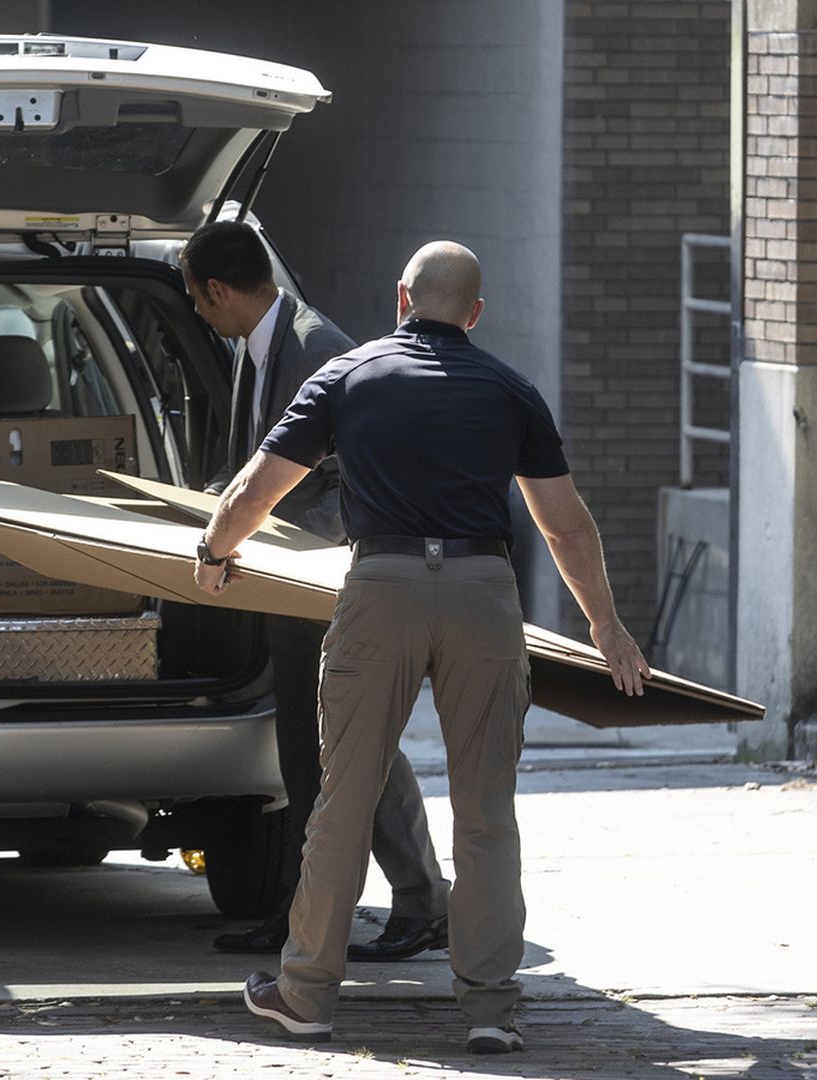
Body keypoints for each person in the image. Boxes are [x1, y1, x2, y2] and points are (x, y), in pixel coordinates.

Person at [192, 240, 650, 1054]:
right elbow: (565, 525)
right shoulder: (511, 390)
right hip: (482, 594)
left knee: (344, 799)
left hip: (384, 588)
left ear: (400, 298)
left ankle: (306, 996)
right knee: (486, 815)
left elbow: (257, 487)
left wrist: (216, 552)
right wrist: (605, 627)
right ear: (473, 314)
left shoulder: (346, 375)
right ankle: (489, 1009)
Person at [179, 222, 451, 960]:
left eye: (200, 305)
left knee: (352, 738)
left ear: (219, 290)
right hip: (283, 570)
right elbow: (261, 458)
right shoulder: (259, 344)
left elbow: (336, 476)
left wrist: (240, 526)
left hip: (324, 571)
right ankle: (304, 910)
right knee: (305, 746)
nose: (202, 319)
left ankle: (423, 899)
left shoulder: (315, 348)